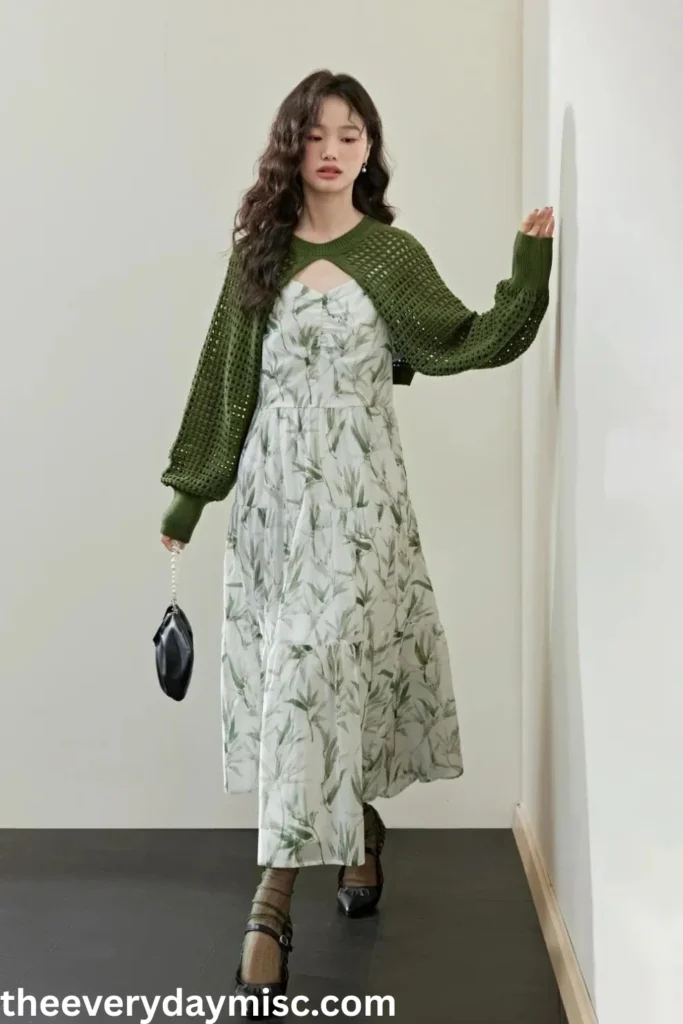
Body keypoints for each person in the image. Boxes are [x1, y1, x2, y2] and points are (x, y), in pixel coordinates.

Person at [159, 69, 554, 1017]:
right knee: (305, 684)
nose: (332, 149)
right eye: (315, 134)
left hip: (360, 507)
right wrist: (187, 501)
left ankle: (269, 907)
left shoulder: (389, 255)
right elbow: (223, 382)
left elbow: (463, 340)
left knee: (321, 671)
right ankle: (360, 830)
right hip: (272, 513)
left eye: (350, 134)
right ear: (290, 147)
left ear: (369, 149)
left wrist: (528, 273)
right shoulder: (258, 257)